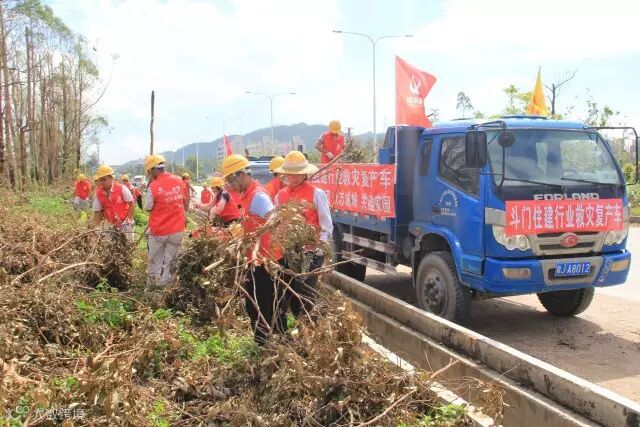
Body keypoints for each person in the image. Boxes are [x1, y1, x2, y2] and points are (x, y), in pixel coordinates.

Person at [221, 154, 285, 344]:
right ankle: (267, 342)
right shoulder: (247, 195)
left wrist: (257, 235)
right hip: (256, 258)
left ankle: (268, 343)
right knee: (255, 304)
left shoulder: (258, 195)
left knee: (264, 304)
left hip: (267, 260)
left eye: (232, 181)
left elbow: (274, 217)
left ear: (241, 175)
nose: (231, 186)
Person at [274, 151, 333, 317]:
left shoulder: (316, 193)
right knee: (290, 291)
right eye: (290, 174)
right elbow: (277, 223)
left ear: (304, 173)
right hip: (289, 252)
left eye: (297, 174)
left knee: (304, 291)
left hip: (311, 252)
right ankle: (301, 324)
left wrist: (320, 247)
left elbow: (326, 224)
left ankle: (309, 324)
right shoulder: (280, 196)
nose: (293, 178)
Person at [144, 154, 187, 286]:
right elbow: (183, 200)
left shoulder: (153, 186)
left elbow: (147, 207)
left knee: (154, 261)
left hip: (159, 230)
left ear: (153, 170)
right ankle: (167, 287)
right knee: (171, 261)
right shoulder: (179, 181)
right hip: (177, 229)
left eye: (149, 172)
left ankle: (153, 288)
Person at [93, 165, 135, 243]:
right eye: (100, 180)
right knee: (108, 244)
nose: (102, 182)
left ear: (111, 178)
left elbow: (131, 204)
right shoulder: (98, 194)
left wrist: (129, 219)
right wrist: (97, 226)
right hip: (109, 223)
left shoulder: (122, 188)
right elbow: (97, 212)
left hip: (124, 221)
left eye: (104, 179)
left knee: (129, 243)